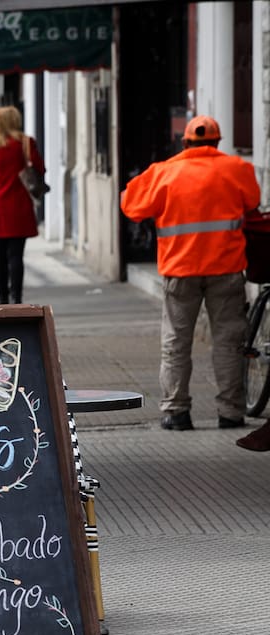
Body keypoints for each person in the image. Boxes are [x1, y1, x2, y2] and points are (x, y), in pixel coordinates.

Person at [121, 114, 260, 432]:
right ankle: (231, 413)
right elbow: (252, 201)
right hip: (226, 270)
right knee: (228, 343)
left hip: (180, 271)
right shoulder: (238, 169)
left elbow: (131, 205)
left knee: (176, 343)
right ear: (217, 142)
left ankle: (176, 412)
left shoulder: (164, 172)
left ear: (185, 142)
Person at [0, 106, 44, 304]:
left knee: (0, 255)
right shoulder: (24, 143)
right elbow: (41, 168)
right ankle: (17, 297)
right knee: (16, 255)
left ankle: (2, 297)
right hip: (19, 205)